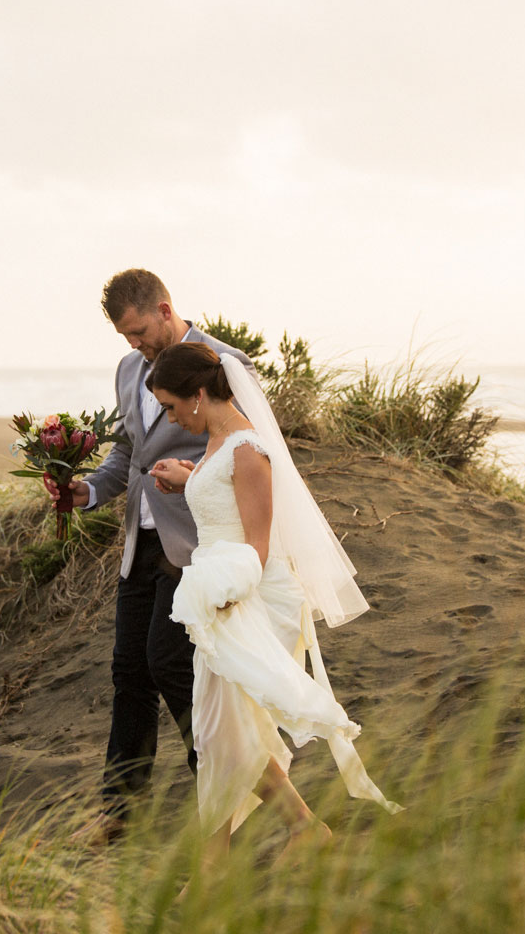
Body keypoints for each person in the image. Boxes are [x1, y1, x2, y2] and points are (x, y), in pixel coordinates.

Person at [145, 341, 400, 870]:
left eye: (171, 405)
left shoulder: (246, 449)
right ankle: (300, 830)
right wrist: (189, 480)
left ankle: (227, 863)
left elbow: (256, 551)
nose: (170, 416)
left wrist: (216, 595)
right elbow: (228, 507)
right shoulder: (218, 443)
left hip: (245, 599)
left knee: (220, 733)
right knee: (222, 734)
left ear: (197, 394)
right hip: (217, 598)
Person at [52, 269, 253, 842]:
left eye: (139, 331)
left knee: (173, 665)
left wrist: (193, 476)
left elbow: (251, 451)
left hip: (197, 545)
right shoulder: (126, 371)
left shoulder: (224, 363)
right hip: (139, 543)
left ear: (165, 309)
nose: (134, 345)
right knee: (128, 673)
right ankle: (119, 810)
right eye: (125, 337)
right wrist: (85, 491)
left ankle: (222, 791)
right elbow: (128, 456)